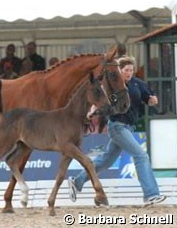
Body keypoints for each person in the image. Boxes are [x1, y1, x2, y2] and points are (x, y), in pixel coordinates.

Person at [67, 56, 166, 206]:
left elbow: (148, 98)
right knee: (141, 155)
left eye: (131, 70)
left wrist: (152, 100)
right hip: (117, 126)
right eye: (126, 70)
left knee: (105, 161)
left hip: (129, 127)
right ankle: (151, 194)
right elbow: (99, 99)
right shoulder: (112, 86)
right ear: (120, 71)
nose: (129, 73)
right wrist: (92, 110)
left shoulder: (138, 84)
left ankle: (76, 181)